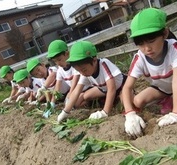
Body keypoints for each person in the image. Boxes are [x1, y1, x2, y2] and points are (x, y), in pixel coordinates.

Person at [122, 8, 177, 138]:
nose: (147, 48)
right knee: (138, 101)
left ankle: (172, 104)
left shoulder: (174, 48)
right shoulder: (140, 57)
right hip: (162, 88)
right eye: (141, 44)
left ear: (164, 33)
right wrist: (129, 114)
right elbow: (127, 87)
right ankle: (168, 99)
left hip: (175, 84)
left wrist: (175, 113)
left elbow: (176, 81)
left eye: (151, 41)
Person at [57, 40, 126, 123]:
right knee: (83, 97)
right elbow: (76, 91)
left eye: (84, 70)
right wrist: (65, 111)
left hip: (120, 86)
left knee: (125, 100)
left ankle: (113, 101)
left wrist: (105, 112)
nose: (82, 73)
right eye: (79, 71)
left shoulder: (104, 65)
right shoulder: (84, 73)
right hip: (103, 89)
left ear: (94, 60)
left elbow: (112, 88)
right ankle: (101, 101)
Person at [47, 39, 82, 107]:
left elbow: (75, 82)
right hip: (76, 92)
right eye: (55, 61)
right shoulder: (60, 69)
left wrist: (70, 94)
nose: (58, 63)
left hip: (84, 89)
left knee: (76, 103)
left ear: (67, 54)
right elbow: (57, 87)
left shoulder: (75, 65)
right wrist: (52, 103)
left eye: (59, 59)